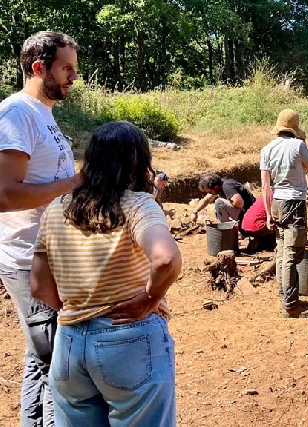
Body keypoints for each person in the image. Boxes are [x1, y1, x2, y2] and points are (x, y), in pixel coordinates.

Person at [30, 121, 182, 426]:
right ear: (138, 162)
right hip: (128, 339)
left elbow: (37, 285)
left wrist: (76, 309)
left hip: (70, 343)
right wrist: (149, 298)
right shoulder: (138, 205)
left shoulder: (57, 209)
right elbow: (165, 258)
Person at [0, 31, 80, 427]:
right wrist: (72, 185)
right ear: (38, 68)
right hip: (29, 260)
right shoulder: (17, 113)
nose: (73, 77)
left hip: (47, 256)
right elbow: (5, 194)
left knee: (40, 357)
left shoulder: (42, 113)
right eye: (66, 68)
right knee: (58, 363)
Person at [260, 108, 308, 318]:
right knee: (292, 256)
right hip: (294, 203)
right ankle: (291, 306)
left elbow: (265, 186)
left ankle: (285, 296)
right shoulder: (298, 145)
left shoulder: (267, 149)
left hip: (276, 203)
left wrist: (268, 214)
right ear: (294, 129)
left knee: (282, 252)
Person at [191, 173, 256, 225]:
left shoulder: (227, 187)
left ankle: (226, 230)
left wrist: (226, 203)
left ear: (215, 187)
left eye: (210, 191)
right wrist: (195, 212)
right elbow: (207, 199)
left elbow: (239, 203)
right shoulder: (220, 184)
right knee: (221, 204)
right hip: (245, 211)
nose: (210, 193)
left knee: (219, 203)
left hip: (249, 213)